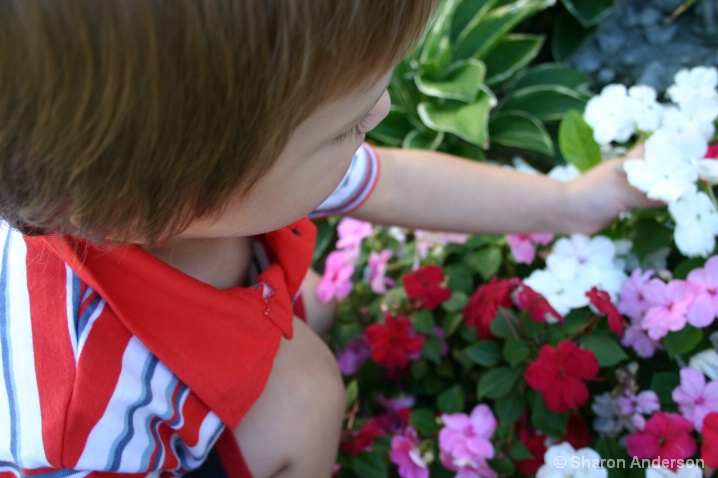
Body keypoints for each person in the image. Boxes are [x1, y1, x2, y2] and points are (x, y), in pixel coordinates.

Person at [0, 1, 654, 477]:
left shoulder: (182, 179)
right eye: (343, 128)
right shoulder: (81, 426)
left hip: (200, 319)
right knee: (307, 394)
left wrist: (571, 205)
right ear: (145, 206)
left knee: (311, 310)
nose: (383, 113)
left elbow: (392, 179)